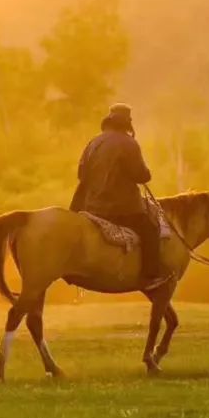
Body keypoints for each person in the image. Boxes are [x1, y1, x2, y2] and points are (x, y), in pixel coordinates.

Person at [70, 103, 165, 286]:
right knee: (151, 229)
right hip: (120, 209)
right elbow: (141, 175)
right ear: (127, 123)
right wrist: (146, 174)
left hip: (90, 206)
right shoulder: (129, 143)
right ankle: (151, 276)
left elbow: (81, 174)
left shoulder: (94, 142)